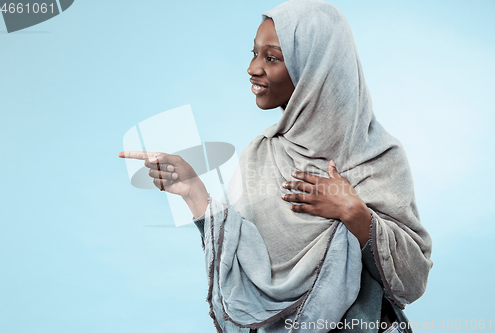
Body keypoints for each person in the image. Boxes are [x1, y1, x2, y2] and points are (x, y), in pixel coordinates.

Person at [119, 0, 433, 332]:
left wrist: (353, 211)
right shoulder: (258, 155)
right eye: (253, 53)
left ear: (316, 68)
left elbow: (412, 278)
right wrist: (193, 191)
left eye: (272, 58)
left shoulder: (378, 157)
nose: (253, 68)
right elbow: (241, 266)